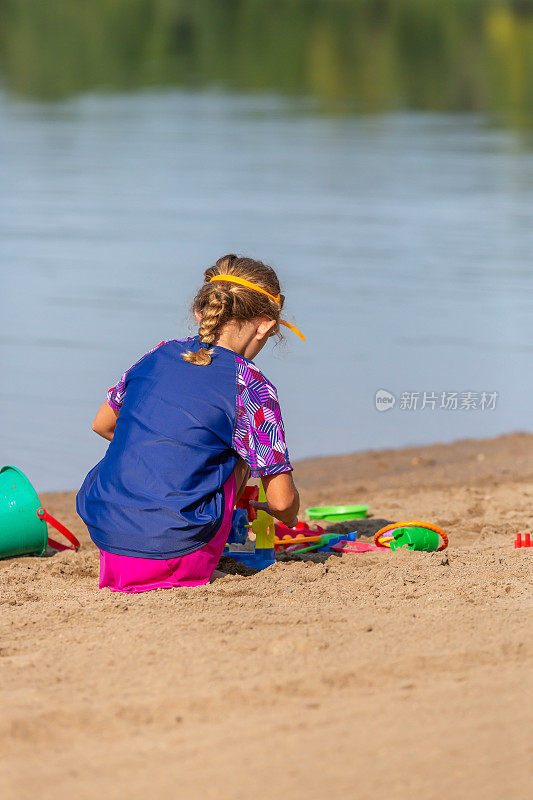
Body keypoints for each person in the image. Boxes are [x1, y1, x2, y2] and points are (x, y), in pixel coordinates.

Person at [76, 254, 304, 592]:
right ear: (266, 324)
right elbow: (282, 501)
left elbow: (103, 424)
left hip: (109, 537)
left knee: (146, 439)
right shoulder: (250, 384)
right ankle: (209, 553)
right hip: (176, 552)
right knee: (240, 450)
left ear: (201, 312)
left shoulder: (159, 353)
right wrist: (287, 517)